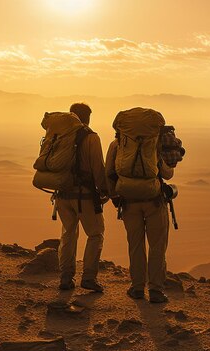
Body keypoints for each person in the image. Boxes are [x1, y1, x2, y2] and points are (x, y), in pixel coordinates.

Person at [105, 139, 174, 303]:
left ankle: (137, 288)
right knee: (157, 246)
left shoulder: (117, 144)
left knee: (135, 245)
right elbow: (167, 174)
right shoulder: (154, 143)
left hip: (129, 202)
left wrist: (114, 196)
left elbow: (108, 171)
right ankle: (155, 290)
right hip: (154, 202)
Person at [56, 103, 107, 292]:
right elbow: (98, 169)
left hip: (62, 195)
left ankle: (65, 278)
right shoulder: (91, 137)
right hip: (84, 197)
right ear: (87, 118)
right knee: (95, 234)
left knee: (68, 234)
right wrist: (105, 191)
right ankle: (89, 278)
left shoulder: (60, 136)